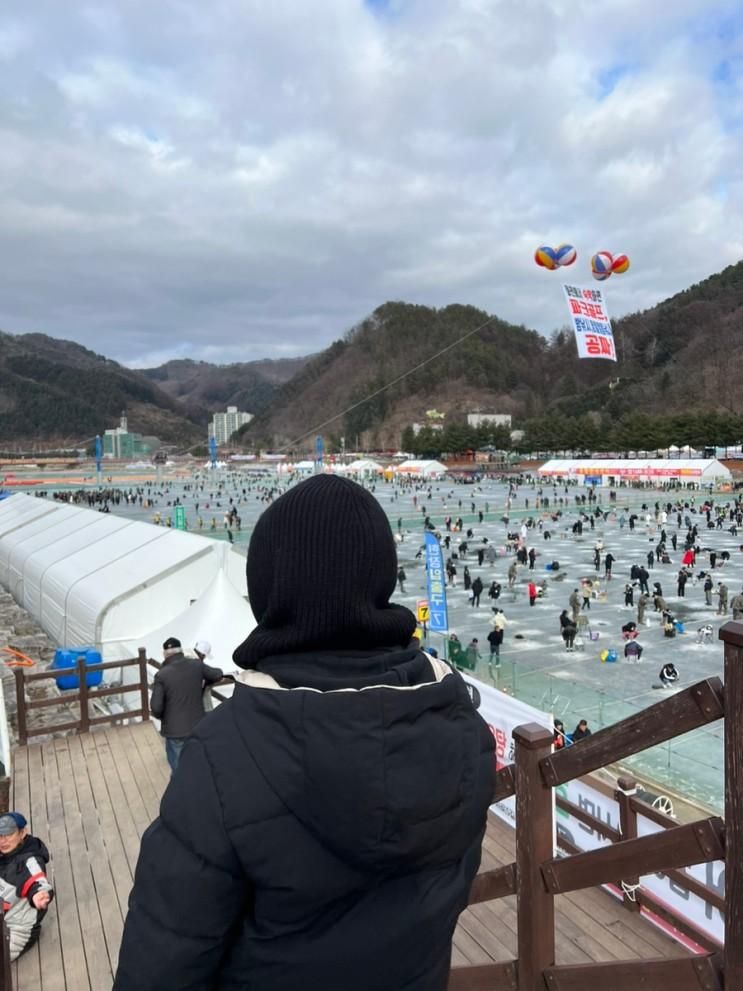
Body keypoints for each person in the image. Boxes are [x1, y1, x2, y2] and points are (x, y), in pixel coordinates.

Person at [115, 475, 494, 991]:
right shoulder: (459, 722)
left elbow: (164, 956)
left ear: (270, 589)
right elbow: (450, 885)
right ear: (379, 578)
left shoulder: (225, 752)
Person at [150, 636, 224, 773]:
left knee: (179, 772)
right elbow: (217, 674)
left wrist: (164, 717)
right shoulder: (196, 665)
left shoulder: (161, 675)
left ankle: (182, 793)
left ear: (164, 654)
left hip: (174, 730)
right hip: (197, 725)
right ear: (181, 650)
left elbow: (156, 708)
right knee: (198, 765)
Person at [0, 812, 54, 961]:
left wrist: (39, 894)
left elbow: (38, 881)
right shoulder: (5, 855)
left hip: (17, 930)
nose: (3, 841)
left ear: (22, 833)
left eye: (8, 834)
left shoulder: (30, 860)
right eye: (0, 836)